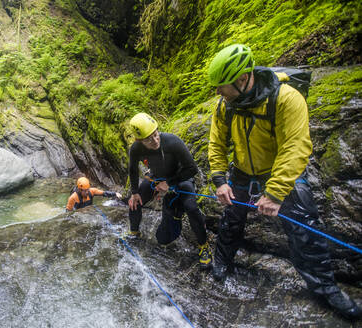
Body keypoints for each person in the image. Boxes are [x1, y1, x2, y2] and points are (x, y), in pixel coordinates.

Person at [207, 43, 361, 319]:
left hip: (280, 171)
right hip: (242, 170)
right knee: (232, 217)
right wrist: (220, 180)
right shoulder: (224, 106)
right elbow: (216, 144)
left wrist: (276, 193)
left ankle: (326, 289)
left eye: (221, 86)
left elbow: (296, 146)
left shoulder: (287, 99)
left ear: (242, 80)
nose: (217, 92)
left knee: (304, 227)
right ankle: (222, 260)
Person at [127, 112, 212, 266]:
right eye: (149, 139)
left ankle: (203, 245)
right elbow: (132, 170)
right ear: (139, 140)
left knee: (191, 207)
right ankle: (134, 232)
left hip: (181, 177)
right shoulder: (136, 149)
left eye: (155, 134)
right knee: (134, 201)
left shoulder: (172, 141)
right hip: (157, 177)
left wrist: (169, 182)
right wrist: (134, 192)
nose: (155, 140)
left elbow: (192, 168)